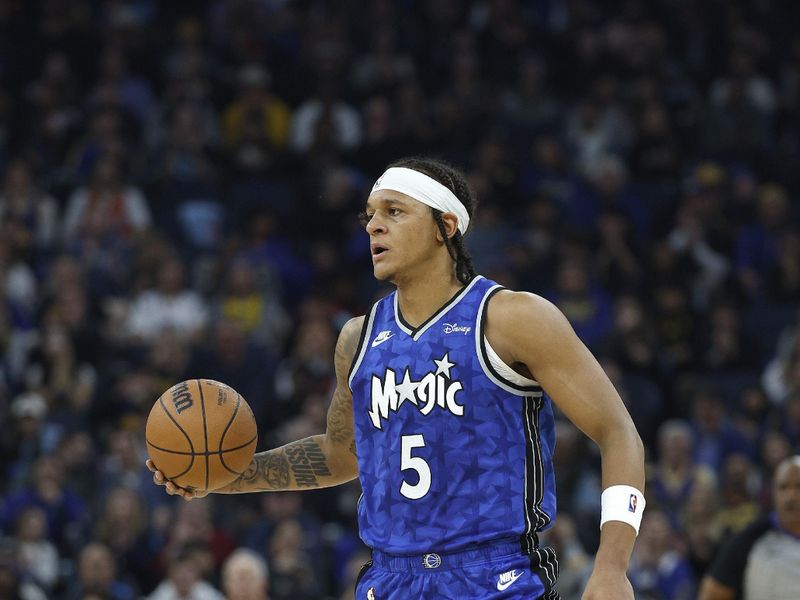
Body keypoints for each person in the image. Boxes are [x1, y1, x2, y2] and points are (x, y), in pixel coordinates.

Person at [149, 157, 645, 599]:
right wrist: (223, 475)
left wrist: (611, 567)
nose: (373, 227)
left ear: (444, 226)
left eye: (394, 211)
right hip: (389, 580)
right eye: (369, 214)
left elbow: (618, 432)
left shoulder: (512, 317)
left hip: (492, 577)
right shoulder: (357, 338)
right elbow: (340, 456)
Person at [697, 455, 800, 600]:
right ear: (773, 493)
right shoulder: (750, 538)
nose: (791, 496)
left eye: (799, 487)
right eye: (783, 487)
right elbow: (711, 593)